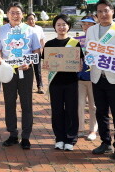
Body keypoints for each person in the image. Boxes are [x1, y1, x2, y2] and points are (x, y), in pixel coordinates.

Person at [85, 0, 115, 161]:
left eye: (106, 10)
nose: (103, 14)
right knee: (101, 111)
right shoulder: (91, 30)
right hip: (98, 76)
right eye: (99, 11)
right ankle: (106, 142)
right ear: (96, 14)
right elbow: (89, 50)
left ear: (112, 11)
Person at [0, 2, 41, 149]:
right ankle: (13, 134)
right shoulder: (1, 30)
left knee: (26, 103)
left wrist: (29, 63)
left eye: (18, 12)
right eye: (12, 12)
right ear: (7, 14)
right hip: (9, 71)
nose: (15, 15)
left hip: (26, 71)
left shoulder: (30, 30)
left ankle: (26, 137)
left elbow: (37, 51)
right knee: (9, 102)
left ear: (22, 14)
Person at [44, 14, 82, 151]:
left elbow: (80, 63)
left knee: (72, 110)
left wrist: (79, 66)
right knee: (57, 111)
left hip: (71, 82)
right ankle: (59, 138)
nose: (61, 27)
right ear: (54, 27)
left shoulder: (75, 43)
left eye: (64, 24)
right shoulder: (49, 44)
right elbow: (46, 62)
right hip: (55, 83)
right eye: (58, 24)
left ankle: (71, 139)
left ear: (69, 26)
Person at [77, 15, 98, 141]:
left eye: (89, 24)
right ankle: (80, 129)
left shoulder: (99, 40)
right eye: (84, 24)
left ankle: (92, 130)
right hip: (80, 78)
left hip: (94, 78)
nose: (86, 26)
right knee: (79, 104)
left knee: (93, 106)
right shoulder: (77, 41)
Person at [26, 13, 45, 93]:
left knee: (38, 69)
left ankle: (40, 86)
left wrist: (43, 49)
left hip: (37, 52)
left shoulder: (39, 28)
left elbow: (42, 39)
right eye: (29, 19)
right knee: (27, 70)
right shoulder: (24, 29)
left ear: (35, 20)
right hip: (27, 53)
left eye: (32, 19)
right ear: (26, 21)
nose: (31, 21)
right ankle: (27, 87)